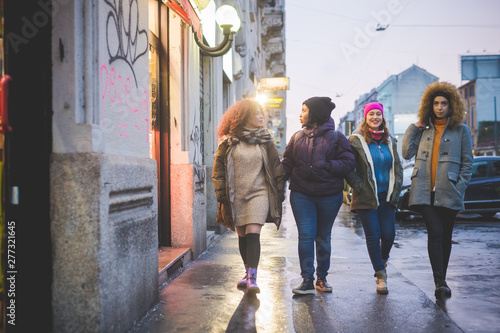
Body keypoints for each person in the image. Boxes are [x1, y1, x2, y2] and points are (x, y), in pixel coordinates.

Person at [402, 81, 473, 300]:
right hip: (425, 192)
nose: (439, 107)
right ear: (429, 106)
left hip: (449, 191)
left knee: (446, 236)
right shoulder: (423, 130)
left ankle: (442, 278)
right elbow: (406, 153)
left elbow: (467, 163)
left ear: (452, 106)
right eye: (435, 103)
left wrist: (458, 187)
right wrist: (415, 127)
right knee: (436, 232)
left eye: (443, 103)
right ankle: (439, 282)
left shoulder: (462, 130)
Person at [282, 96, 356, 295]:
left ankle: (322, 279)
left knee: (323, 237)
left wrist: (327, 165)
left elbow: (349, 163)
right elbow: (287, 164)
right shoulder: (297, 137)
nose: (300, 114)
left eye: (304, 110)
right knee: (306, 236)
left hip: (329, 196)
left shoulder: (336, 137)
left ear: (315, 113)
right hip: (301, 195)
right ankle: (307, 279)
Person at [212, 99, 286, 295]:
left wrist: (279, 193)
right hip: (236, 195)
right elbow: (218, 170)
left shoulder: (265, 139)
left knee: (253, 233)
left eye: (262, 113)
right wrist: (221, 195)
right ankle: (247, 273)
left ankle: (253, 277)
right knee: (242, 235)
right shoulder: (228, 142)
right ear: (244, 117)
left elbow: (276, 168)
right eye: (257, 114)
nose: (261, 117)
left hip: (259, 193)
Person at [346, 102, 403, 294]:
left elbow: (397, 167)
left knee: (389, 235)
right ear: (366, 118)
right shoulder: (356, 140)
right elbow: (347, 167)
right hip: (366, 196)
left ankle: (382, 261)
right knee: (373, 235)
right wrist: (359, 185)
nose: (375, 117)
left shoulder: (390, 141)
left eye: (378, 114)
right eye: (371, 114)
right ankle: (381, 276)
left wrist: (397, 188)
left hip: (386, 195)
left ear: (383, 117)